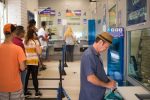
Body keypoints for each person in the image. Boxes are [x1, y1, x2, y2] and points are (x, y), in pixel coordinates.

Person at [79, 32, 116, 100]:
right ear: (100, 42)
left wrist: (108, 81)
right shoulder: (89, 55)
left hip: (97, 95)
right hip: (90, 96)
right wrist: (107, 85)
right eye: (106, 47)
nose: (105, 49)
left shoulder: (96, 54)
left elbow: (98, 73)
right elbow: (91, 78)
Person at [0, 24, 26, 100]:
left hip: (1, 86)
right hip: (15, 86)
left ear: (4, 33)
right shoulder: (18, 49)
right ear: (14, 33)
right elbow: (22, 67)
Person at [24, 29, 42, 97]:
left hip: (27, 61)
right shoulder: (35, 42)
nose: (35, 35)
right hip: (34, 61)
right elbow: (39, 52)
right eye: (34, 34)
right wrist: (41, 48)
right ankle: (37, 92)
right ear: (32, 34)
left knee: (27, 76)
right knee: (34, 77)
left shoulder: (25, 41)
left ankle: (25, 91)